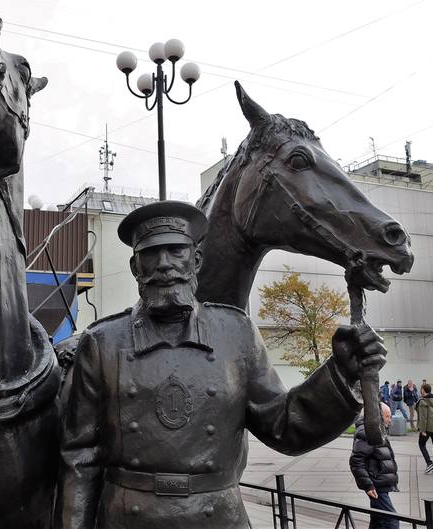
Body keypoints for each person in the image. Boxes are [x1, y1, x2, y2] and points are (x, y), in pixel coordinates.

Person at [56, 202, 388, 529]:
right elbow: (81, 457)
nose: (164, 264)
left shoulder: (237, 332)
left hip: (218, 518)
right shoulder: (102, 342)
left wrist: (341, 372)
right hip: (127, 520)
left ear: (196, 259)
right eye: (151, 254)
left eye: (176, 251)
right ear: (135, 267)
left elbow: (284, 425)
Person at [349, 403, 399, 529]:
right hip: (376, 486)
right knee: (391, 521)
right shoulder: (367, 431)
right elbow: (356, 460)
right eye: (388, 417)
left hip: (380, 484)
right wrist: (368, 485)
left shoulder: (376, 429)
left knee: (379, 521)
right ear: (378, 416)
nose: (390, 420)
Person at [416, 383, 433, 474]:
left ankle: (429, 463)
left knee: (421, 444)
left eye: (421, 389)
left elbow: (423, 417)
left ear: (423, 390)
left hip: (427, 427)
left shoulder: (423, 401)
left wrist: (422, 430)